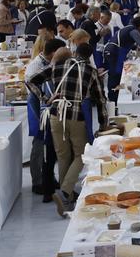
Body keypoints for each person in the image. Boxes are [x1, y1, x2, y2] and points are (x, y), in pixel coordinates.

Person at [29, 43, 105, 216]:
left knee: (63, 155)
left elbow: (31, 80)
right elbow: (100, 99)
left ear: (75, 53)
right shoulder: (91, 71)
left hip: (56, 114)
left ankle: (67, 198)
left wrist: (45, 98)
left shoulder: (57, 65)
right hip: (77, 115)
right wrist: (103, 123)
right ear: (89, 56)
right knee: (81, 154)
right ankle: (64, 192)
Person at [25, 38, 66, 201]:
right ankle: (37, 181)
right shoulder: (36, 66)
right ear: (53, 52)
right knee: (39, 141)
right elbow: (30, 83)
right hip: (38, 106)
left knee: (49, 143)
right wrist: (44, 98)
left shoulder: (48, 62)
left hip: (48, 105)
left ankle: (49, 179)